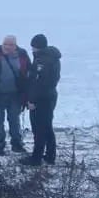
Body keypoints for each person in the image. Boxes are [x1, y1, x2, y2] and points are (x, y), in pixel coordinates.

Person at [21, 33, 61, 166]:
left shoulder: (42, 61)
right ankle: (50, 156)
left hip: (41, 99)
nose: (32, 49)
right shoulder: (52, 57)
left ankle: (36, 158)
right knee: (47, 127)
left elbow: (38, 83)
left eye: (33, 47)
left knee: (39, 129)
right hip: (50, 96)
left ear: (37, 46)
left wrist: (32, 100)